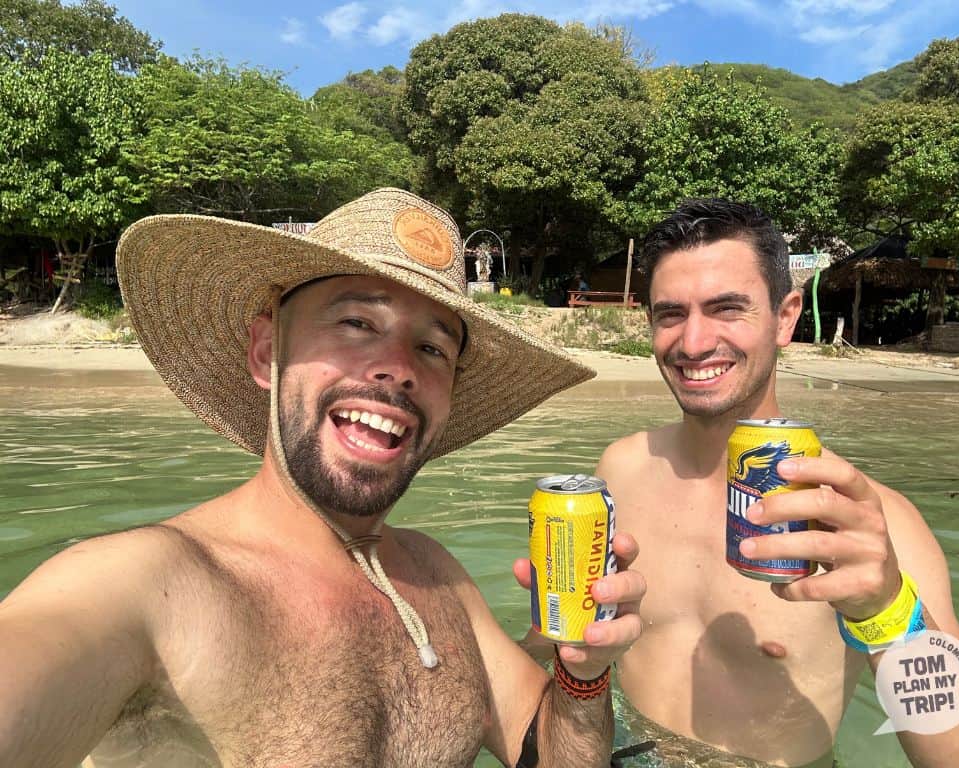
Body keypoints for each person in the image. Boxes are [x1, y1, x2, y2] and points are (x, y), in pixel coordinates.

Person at [0, 188, 646, 768]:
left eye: (432, 348)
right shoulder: (143, 584)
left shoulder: (435, 575)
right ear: (265, 352)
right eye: (357, 323)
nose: (396, 369)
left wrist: (582, 673)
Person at [590, 199, 959, 767]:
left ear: (786, 317)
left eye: (726, 309)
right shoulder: (621, 468)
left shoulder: (865, 523)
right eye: (671, 314)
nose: (693, 343)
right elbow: (566, 640)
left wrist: (888, 610)